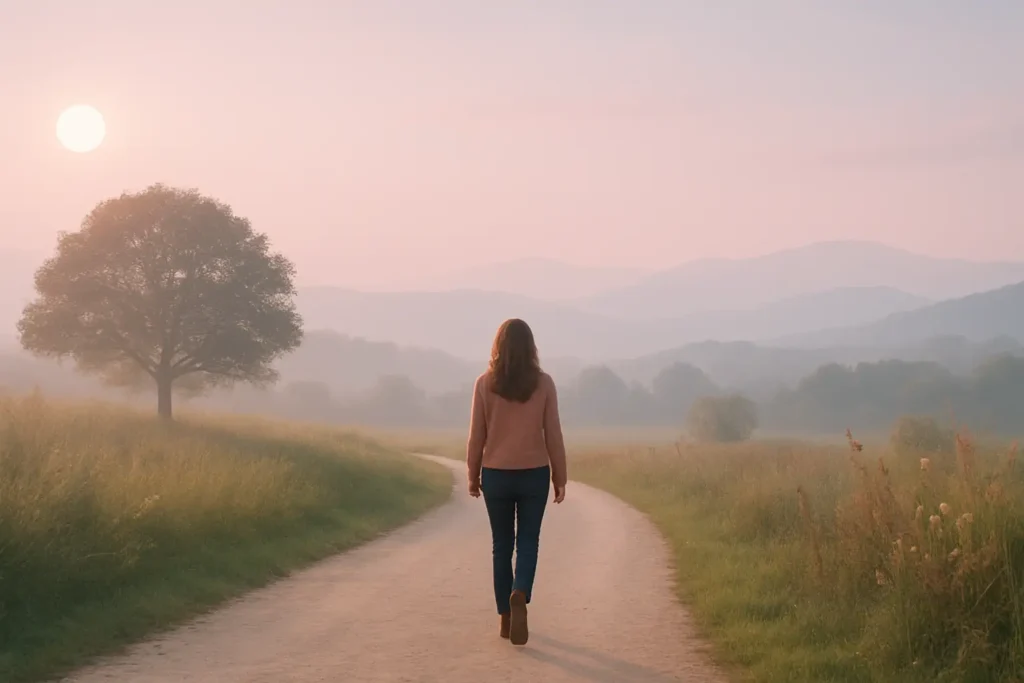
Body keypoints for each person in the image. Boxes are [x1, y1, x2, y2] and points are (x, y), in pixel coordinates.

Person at [466, 318, 567, 647]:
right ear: (531, 348)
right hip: (534, 473)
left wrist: (472, 474)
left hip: (495, 474)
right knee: (527, 542)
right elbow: (553, 432)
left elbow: (476, 437)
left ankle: (505, 620)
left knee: (501, 546)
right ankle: (520, 590)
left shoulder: (484, 384)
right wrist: (560, 476)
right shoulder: (544, 383)